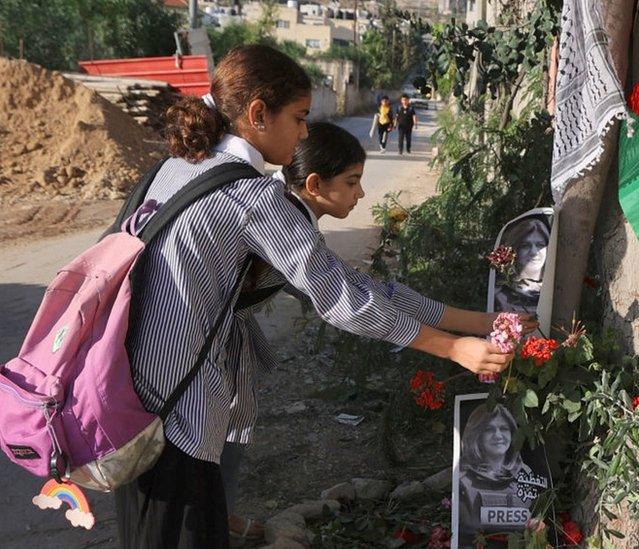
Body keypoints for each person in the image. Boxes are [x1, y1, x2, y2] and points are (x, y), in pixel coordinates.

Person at [114, 44, 519, 548]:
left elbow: (365, 288)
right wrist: (452, 346)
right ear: (258, 114)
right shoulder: (255, 198)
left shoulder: (177, 166)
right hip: (178, 408)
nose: (305, 130)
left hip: (130, 396)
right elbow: (345, 299)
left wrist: (473, 324)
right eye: (300, 117)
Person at [457, 403, 541, 546]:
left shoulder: (527, 475)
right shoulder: (463, 481)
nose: (498, 435)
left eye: (504, 429)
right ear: (476, 434)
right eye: (489, 429)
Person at [493, 216, 551, 315]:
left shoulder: (554, 291)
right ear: (515, 250)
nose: (534, 252)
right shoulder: (501, 297)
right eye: (525, 246)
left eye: (540, 245)